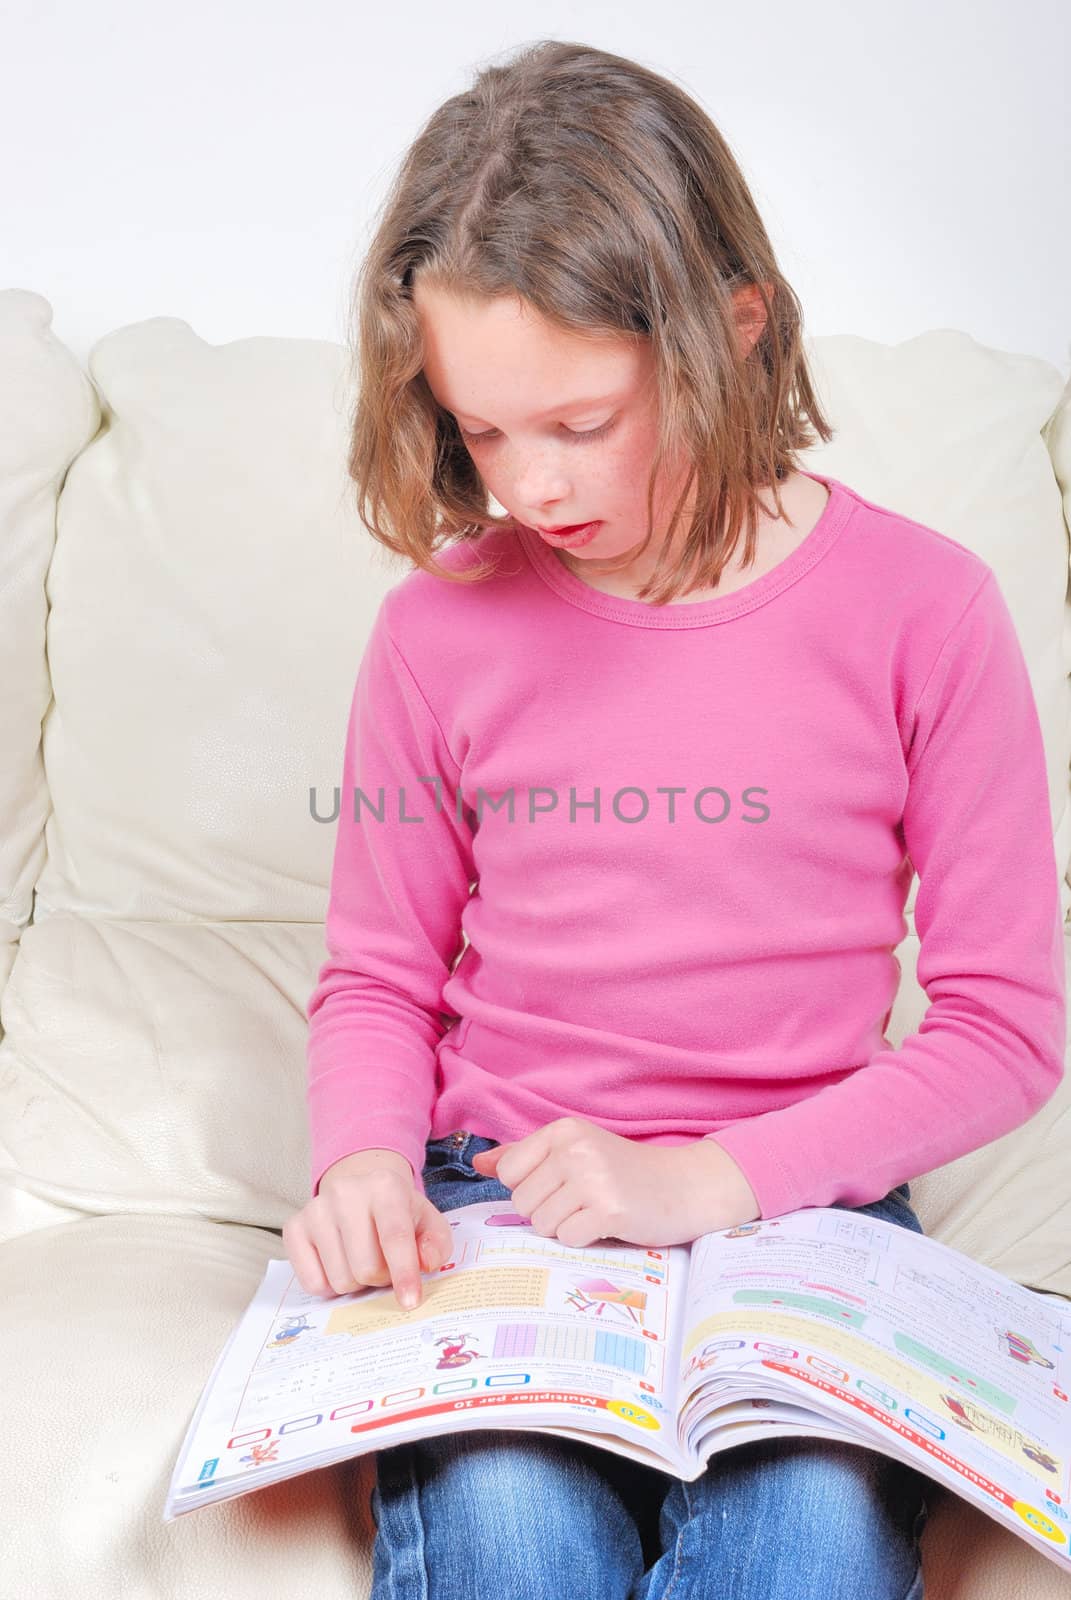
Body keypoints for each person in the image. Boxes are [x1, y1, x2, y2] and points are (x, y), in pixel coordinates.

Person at [281, 38, 1065, 1600]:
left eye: (579, 421)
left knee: (816, 1544)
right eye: (484, 433)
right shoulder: (441, 631)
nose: (530, 490)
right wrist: (362, 1162)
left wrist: (715, 1179)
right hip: (495, 1207)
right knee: (505, 1525)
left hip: (803, 1212)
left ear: (731, 328)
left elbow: (1006, 1027)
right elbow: (377, 976)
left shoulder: (929, 612)